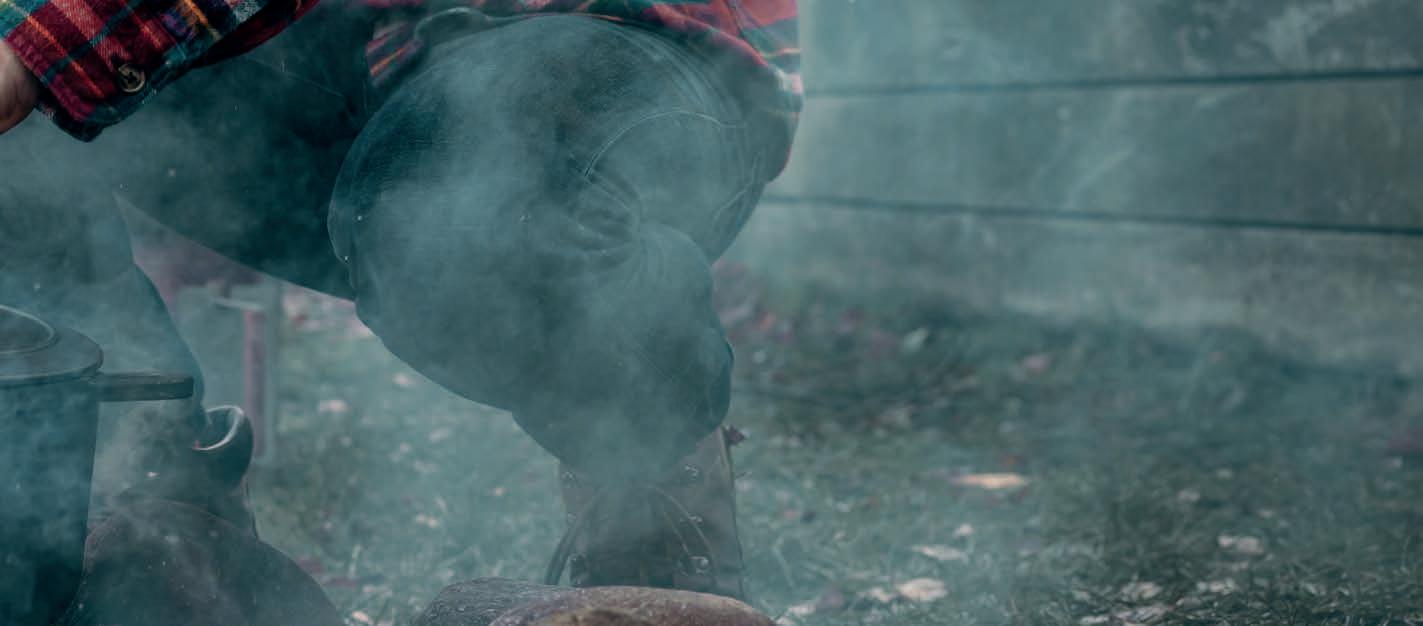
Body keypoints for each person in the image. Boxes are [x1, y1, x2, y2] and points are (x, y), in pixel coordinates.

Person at [0, 0, 799, 610]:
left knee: (478, 186)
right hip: (364, 64)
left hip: (627, 61)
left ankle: (656, 537)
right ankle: (149, 519)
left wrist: (37, 49)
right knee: (22, 123)